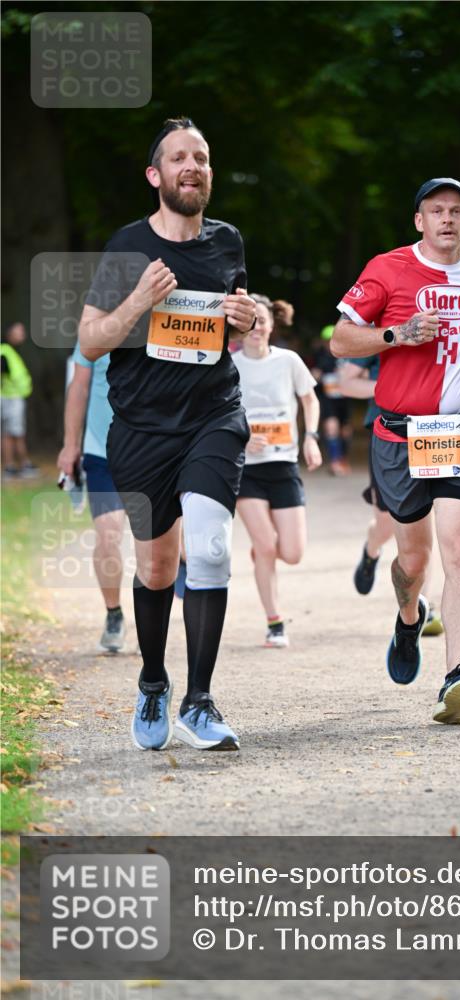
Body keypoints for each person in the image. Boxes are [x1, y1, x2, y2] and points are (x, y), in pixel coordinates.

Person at [78, 117, 257, 753]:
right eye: (179, 158)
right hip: (143, 428)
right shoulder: (126, 246)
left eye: (201, 158)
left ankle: (200, 702)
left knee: (208, 551)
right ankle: (153, 680)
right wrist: (139, 302)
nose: (193, 166)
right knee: (157, 568)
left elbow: (237, 330)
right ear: (156, 176)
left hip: (213, 415)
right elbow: (90, 342)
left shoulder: (228, 241)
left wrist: (247, 317)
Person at [332, 177, 460, 726]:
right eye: (436, 211)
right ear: (419, 221)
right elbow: (343, 340)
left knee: (459, 551)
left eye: (457, 211)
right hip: (400, 432)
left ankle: (457, 675)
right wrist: (397, 335)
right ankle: (409, 617)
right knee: (412, 562)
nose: (447, 219)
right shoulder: (386, 269)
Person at [233, 295, 322, 646]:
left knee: (293, 553)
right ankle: (275, 623)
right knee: (267, 545)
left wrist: (311, 438)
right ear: (242, 326)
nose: (257, 327)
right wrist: (241, 438)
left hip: (283, 465)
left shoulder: (289, 361)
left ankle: (262, 552)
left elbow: (310, 399)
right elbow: (214, 413)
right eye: (250, 321)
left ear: (273, 324)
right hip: (246, 470)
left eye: (263, 321)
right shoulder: (230, 365)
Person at [338, 357, 444, 636]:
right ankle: (371, 550)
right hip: (388, 432)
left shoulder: (449, 323)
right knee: (386, 524)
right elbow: (347, 383)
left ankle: (425, 605)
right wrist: (395, 387)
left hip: (434, 430)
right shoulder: (384, 328)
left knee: (424, 522)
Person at [57, 343, 129, 653]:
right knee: (109, 534)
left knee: (157, 545)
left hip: (152, 453)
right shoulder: (94, 331)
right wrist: (70, 445)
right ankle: (114, 613)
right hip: (101, 453)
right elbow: (78, 389)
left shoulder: (161, 326)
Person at [311, 325, 353, 475]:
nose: (331, 343)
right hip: (328, 400)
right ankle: (335, 462)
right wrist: (317, 376)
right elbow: (313, 377)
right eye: (328, 340)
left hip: (344, 399)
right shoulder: (320, 357)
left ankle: (343, 459)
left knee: (345, 432)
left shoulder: (347, 356)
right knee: (331, 428)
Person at [1, 322, 39, 479]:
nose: (22, 334)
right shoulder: (4, 352)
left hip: (13, 398)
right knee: (12, 433)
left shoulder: (10, 351)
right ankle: (17, 465)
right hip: (10, 399)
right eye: (19, 331)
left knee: (12, 432)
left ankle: (18, 465)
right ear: (9, 334)